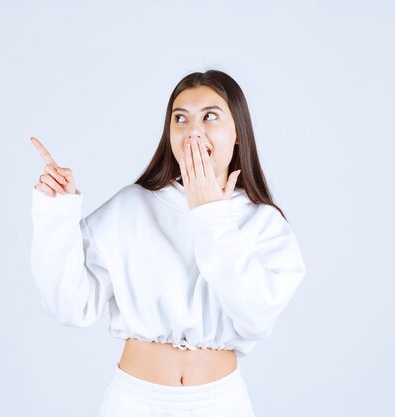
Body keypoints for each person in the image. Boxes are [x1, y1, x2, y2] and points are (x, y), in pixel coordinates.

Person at [29, 69, 306, 417]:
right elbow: (69, 306)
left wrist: (211, 214)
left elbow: (256, 316)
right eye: (180, 119)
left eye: (210, 116)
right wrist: (57, 213)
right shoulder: (132, 207)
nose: (193, 131)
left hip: (220, 404)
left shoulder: (262, 222)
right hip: (133, 402)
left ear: (238, 133)